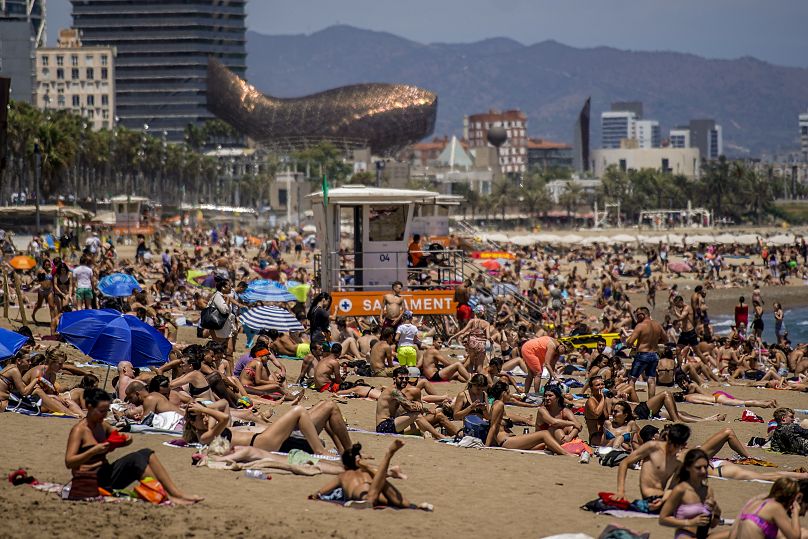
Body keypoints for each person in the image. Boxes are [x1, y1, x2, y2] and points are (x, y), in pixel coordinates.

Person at [65, 388, 202, 504]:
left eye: (106, 411)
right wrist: (93, 451)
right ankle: (165, 495)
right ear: (89, 407)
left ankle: (175, 493)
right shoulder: (80, 430)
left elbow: (122, 438)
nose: (104, 415)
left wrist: (126, 440)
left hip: (106, 472)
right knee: (137, 459)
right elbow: (69, 462)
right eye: (101, 411)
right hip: (91, 478)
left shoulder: (102, 425)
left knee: (147, 453)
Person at [309, 440, 433, 511]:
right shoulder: (367, 472)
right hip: (373, 494)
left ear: (346, 465)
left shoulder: (343, 475)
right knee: (384, 490)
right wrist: (369, 467)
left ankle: (388, 454)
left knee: (373, 495)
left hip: (362, 496)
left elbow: (320, 493)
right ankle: (415, 507)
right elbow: (380, 476)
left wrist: (315, 495)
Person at [615, 423, 691, 510]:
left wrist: (663, 501)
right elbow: (624, 463)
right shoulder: (653, 447)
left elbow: (672, 487)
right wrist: (620, 491)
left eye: (676, 446)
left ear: (683, 445)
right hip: (650, 497)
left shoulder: (678, 462)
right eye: (670, 443)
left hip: (663, 498)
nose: (672, 448)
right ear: (668, 438)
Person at [485, 381, 571, 455]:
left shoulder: (498, 404)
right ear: (504, 393)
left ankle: (566, 449)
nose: (510, 395)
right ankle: (566, 454)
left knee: (544, 444)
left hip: (510, 440)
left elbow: (499, 420)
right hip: (507, 441)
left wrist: (525, 419)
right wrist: (486, 447)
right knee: (544, 433)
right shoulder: (499, 405)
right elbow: (493, 426)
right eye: (508, 392)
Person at [659, 448, 722, 539]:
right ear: (688, 467)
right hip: (685, 535)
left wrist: (717, 512)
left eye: (705, 467)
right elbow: (662, 519)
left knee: (735, 533)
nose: (703, 471)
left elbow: (712, 525)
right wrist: (690, 522)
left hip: (703, 535)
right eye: (698, 468)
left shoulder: (708, 490)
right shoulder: (681, 490)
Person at [729, 478, 805, 539]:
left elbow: (733, 533)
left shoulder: (755, 503)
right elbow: (794, 537)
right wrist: (795, 513)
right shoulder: (775, 507)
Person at [626, 306, 667, 397]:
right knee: (651, 379)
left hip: (642, 355)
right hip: (654, 355)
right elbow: (666, 339)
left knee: (632, 379)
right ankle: (652, 404)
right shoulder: (657, 325)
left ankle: (633, 401)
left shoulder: (640, 326)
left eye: (637, 316)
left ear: (642, 315)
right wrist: (656, 342)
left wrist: (628, 342)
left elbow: (630, 342)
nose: (636, 318)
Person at [450, 306, 491, 373]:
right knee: (479, 366)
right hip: (481, 345)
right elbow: (488, 337)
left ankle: (470, 378)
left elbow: (462, 331)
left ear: (475, 312)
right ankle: (479, 379)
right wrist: (490, 341)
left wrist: (452, 337)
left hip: (472, 343)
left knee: (471, 362)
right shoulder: (487, 323)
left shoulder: (472, 321)